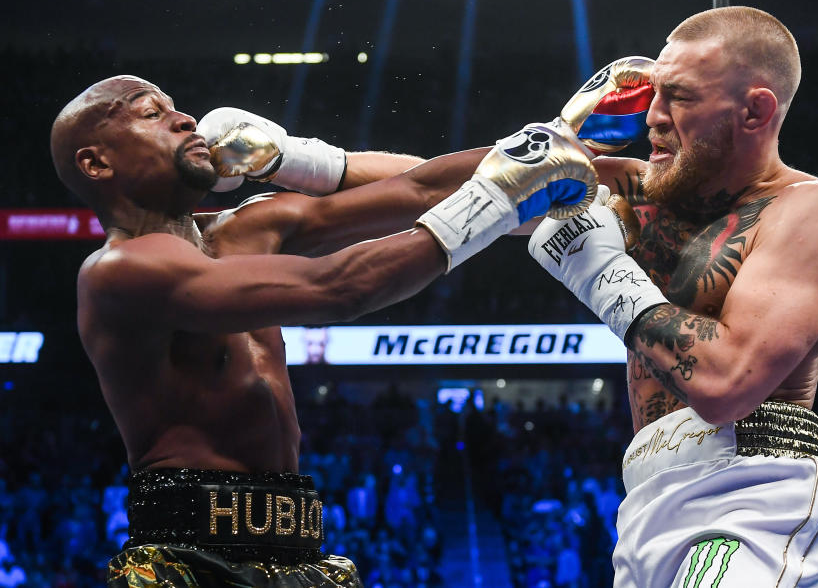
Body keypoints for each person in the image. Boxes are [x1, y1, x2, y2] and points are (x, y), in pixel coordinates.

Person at [49, 74, 596, 587]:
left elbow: (417, 190)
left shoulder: (251, 227)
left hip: (301, 549)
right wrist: (497, 199)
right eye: (152, 114)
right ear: (97, 163)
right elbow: (336, 287)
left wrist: (552, 142)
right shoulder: (119, 273)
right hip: (188, 556)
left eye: (176, 108)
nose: (186, 119)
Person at [529, 6, 818, 586]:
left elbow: (724, 385)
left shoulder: (813, 213)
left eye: (679, 97)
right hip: (644, 500)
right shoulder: (633, 191)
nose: (653, 117)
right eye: (653, 96)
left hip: (753, 490)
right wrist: (322, 166)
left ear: (756, 109)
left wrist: (601, 271)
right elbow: (471, 186)